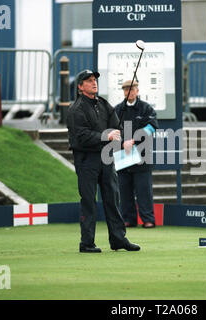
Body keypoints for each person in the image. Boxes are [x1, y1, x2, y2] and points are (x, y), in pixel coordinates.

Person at [66, 70, 140, 253]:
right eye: (89, 81)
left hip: (106, 158)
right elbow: (81, 136)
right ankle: (87, 243)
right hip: (86, 160)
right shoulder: (76, 109)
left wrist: (121, 140)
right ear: (80, 86)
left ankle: (118, 239)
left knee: (112, 198)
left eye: (94, 80)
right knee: (89, 201)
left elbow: (116, 127)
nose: (93, 83)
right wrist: (106, 135)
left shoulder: (105, 104)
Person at [115, 80, 159, 228]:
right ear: (123, 91)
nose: (129, 92)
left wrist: (134, 140)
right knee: (124, 190)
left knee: (144, 190)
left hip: (142, 156)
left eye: (132, 89)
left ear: (137, 90)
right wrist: (122, 142)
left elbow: (152, 126)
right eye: (126, 89)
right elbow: (112, 130)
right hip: (123, 156)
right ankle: (128, 219)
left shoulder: (146, 108)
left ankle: (148, 220)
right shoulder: (117, 110)